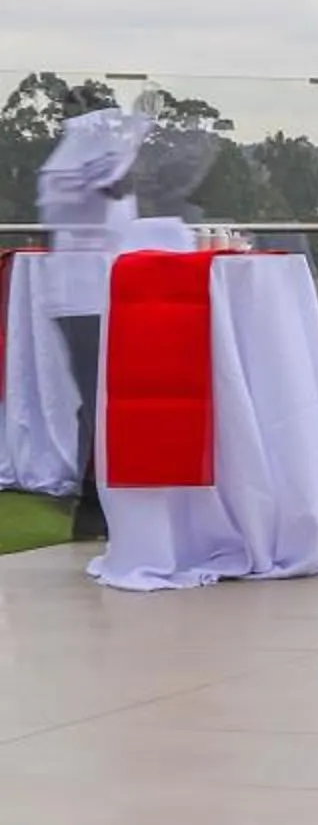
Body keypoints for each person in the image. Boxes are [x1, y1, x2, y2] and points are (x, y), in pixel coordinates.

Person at [33, 93, 156, 541]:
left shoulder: (87, 170)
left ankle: (100, 498)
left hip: (110, 296)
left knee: (102, 402)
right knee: (99, 402)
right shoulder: (74, 172)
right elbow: (109, 191)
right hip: (84, 302)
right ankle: (92, 500)